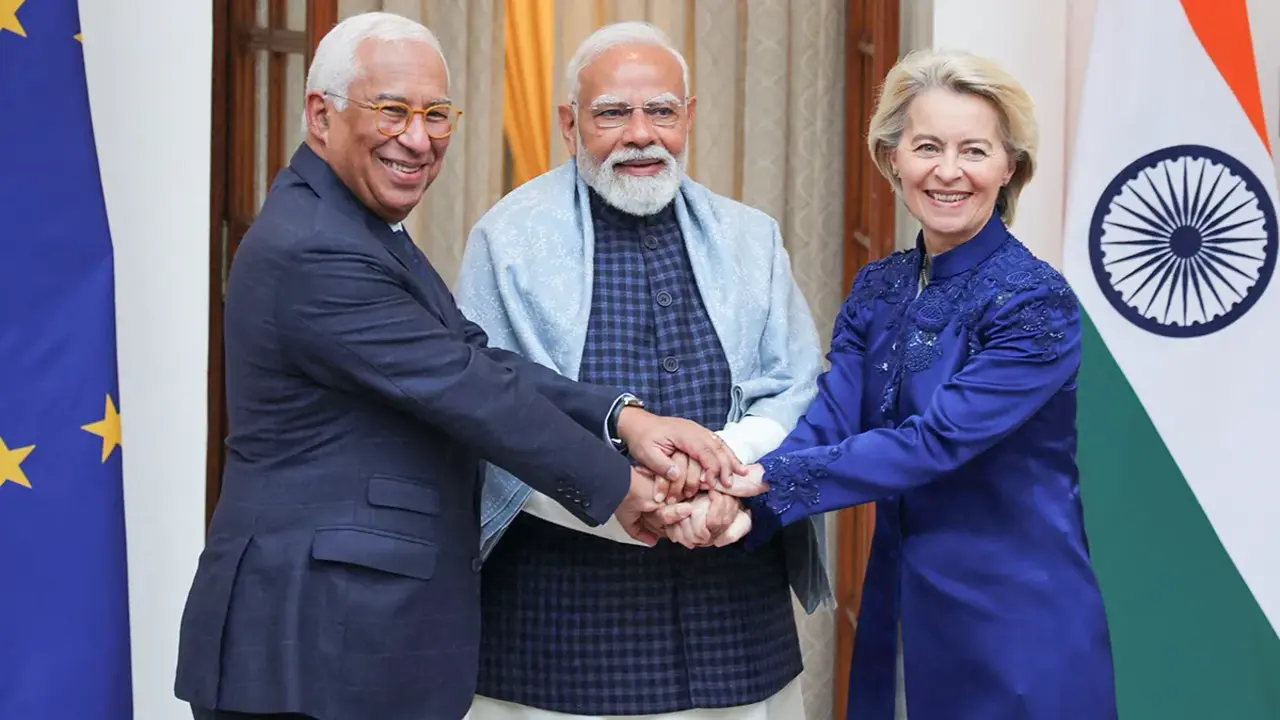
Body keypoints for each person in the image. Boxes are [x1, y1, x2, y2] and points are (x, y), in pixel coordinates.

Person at [173, 13, 744, 720]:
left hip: (351, 640)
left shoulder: (357, 225)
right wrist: (623, 487)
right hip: (311, 643)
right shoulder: (315, 247)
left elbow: (470, 357)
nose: (417, 138)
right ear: (320, 116)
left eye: (436, 114)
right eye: (391, 111)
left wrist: (626, 418)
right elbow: (470, 392)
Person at [725, 49, 1119, 719]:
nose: (947, 171)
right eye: (927, 146)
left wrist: (757, 488)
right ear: (893, 158)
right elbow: (831, 419)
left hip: (1017, 621)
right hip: (900, 602)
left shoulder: (1035, 302)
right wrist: (735, 482)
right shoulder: (879, 287)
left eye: (974, 150)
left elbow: (931, 444)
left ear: (1009, 167)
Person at [454, 22, 831, 720]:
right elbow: (488, 410)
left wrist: (729, 472)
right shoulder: (508, 241)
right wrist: (630, 495)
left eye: (660, 110)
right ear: (569, 124)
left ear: (687, 117)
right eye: (611, 113)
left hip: (734, 626)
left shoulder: (751, 237)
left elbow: (799, 386)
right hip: (560, 636)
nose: (640, 134)